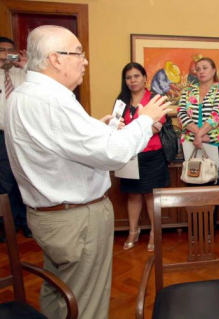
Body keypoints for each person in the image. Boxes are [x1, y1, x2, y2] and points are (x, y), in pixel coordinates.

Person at [4, 25, 170, 319]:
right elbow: (113, 154)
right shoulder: (53, 100)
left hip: (50, 215)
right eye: (78, 53)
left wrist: (99, 129)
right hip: (76, 219)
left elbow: (61, 143)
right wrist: (145, 120)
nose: (85, 60)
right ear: (55, 59)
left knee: (59, 293)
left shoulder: (23, 93)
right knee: (85, 305)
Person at [116, 62, 171, 252]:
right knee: (133, 195)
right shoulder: (121, 101)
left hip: (152, 155)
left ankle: (155, 234)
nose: (133, 81)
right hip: (130, 155)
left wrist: (150, 127)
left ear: (145, 78)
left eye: (136, 76)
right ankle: (133, 231)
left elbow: (158, 126)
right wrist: (118, 127)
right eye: (129, 77)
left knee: (151, 195)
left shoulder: (155, 99)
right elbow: (116, 124)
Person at [177, 57, 219, 186]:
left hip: (217, 144)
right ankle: (194, 207)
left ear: (213, 71)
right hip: (191, 143)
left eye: (205, 68)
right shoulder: (187, 91)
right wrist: (199, 134)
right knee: (192, 180)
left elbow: (218, 114)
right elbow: (181, 114)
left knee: (214, 182)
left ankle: (213, 208)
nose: (201, 71)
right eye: (198, 69)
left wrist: (199, 135)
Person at [0, 36, 31, 241]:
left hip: (23, 134)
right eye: (2, 50)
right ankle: (6, 226)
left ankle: (27, 223)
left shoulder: (23, 75)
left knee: (26, 178)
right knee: (5, 182)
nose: (6, 54)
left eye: (10, 50)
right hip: (1, 136)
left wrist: (27, 66)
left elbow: (42, 87)